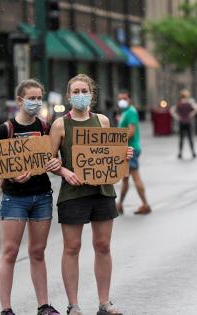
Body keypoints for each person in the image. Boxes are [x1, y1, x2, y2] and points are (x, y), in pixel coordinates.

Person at [49, 74, 132, 315]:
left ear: (92, 95)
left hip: (102, 190)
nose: (80, 95)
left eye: (83, 91)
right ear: (68, 96)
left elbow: (111, 152)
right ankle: (73, 305)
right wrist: (63, 170)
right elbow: (48, 158)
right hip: (73, 192)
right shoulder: (59, 125)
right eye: (75, 92)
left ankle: (104, 302)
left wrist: (123, 155)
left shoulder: (103, 121)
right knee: (72, 247)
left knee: (103, 245)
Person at [0, 79, 62, 315]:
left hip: (41, 196)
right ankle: (6, 309)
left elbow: (56, 157)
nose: (36, 102)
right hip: (15, 199)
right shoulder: (5, 130)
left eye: (39, 98)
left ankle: (43, 305)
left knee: (37, 252)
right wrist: (13, 177)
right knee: (10, 251)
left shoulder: (45, 127)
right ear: (20, 100)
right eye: (31, 98)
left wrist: (56, 163)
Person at [116, 90, 152, 215]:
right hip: (126, 149)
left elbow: (131, 131)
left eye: (124, 98)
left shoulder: (131, 112)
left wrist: (116, 141)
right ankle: (120, 204)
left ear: (129, 99)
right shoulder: (125, 112)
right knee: (125, 179)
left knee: (135, 176)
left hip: (131, 149)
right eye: (120, 98)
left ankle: (145, 204)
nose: (122, 101)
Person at [171, 89, 197, 159]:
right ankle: (193, 152)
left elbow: (172, 110)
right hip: (188, 122)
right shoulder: (189, 103)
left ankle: (180, 153)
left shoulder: (179, 103)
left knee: (181, 138)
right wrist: (192, 114)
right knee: (190, 138)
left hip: (181, 122)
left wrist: (177, 117)